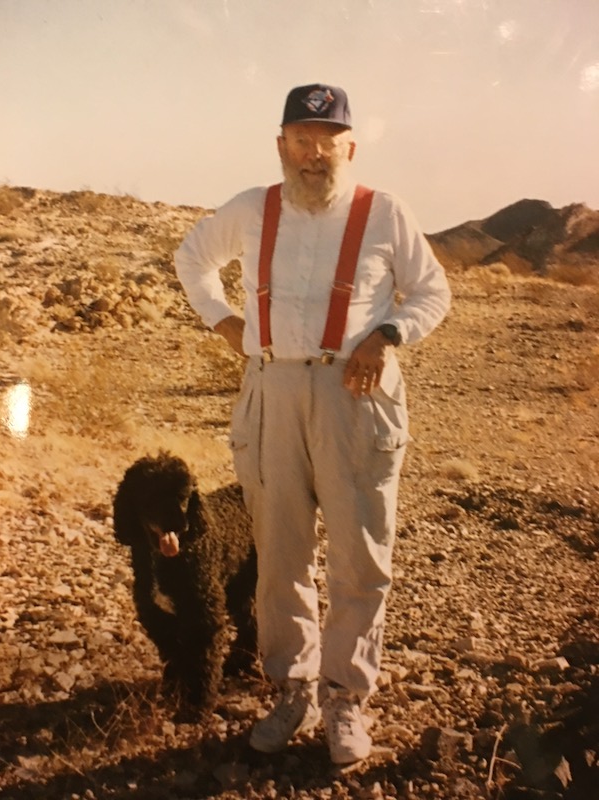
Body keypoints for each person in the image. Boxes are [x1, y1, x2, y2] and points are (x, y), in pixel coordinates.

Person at [175, 83, 451, 765]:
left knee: (361, 553)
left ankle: (345, 701)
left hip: (354, 393)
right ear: (280, 145)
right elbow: (191, 259)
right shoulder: (252, 208)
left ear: (349, 146)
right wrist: (227, 324)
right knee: (280, 550)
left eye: (327, 140)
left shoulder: (384, 213)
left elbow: (432, 291)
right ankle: (290, 689)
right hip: (270, 389)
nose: (313, 153)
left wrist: (386, 333)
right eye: (301, 138)